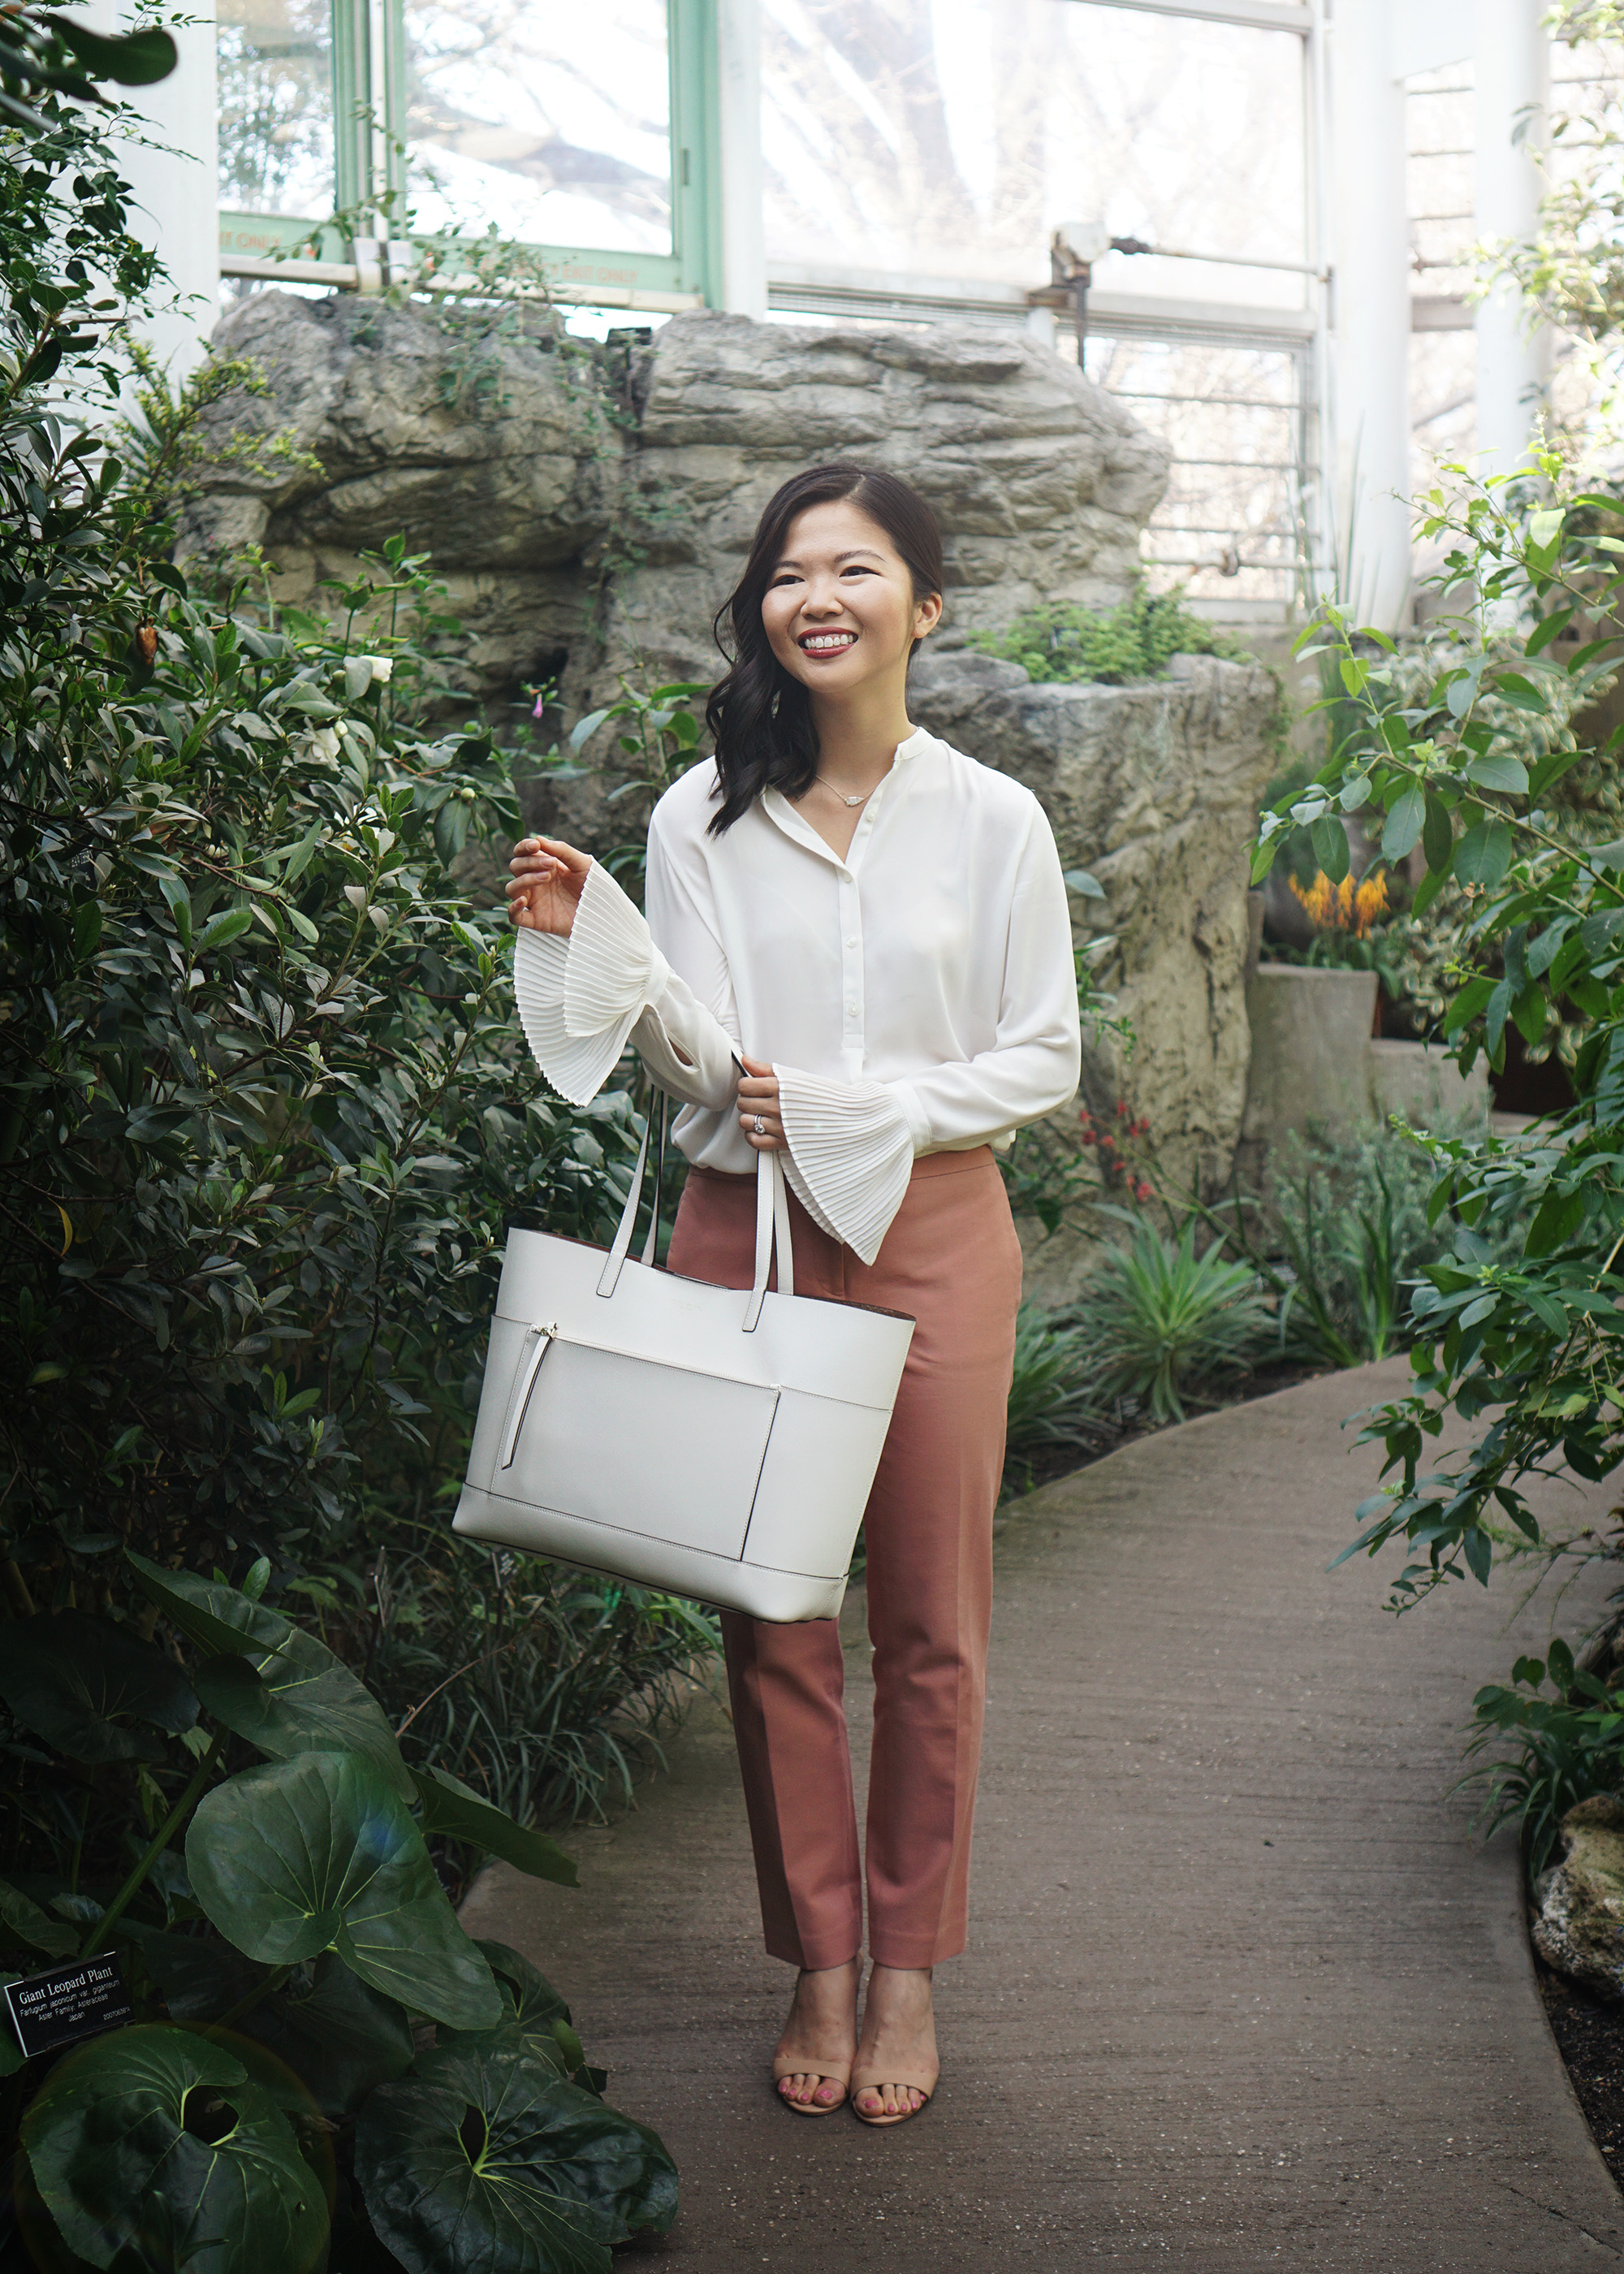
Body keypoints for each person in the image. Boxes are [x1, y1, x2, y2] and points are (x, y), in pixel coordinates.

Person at [506, 461, 1080, 2127]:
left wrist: (863, 1105)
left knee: (932, 1626)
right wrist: (600, 943)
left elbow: (1039, 1050)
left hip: (932, 1227)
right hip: (743, 1228)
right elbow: (688, 1061)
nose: (814, 595)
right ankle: (816, 1958)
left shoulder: (992, 820)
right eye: (785, 572)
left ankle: (908, 1960)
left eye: (856, 566)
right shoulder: (701, 813)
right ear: (759, 606)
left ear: (926, 603)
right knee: (770, 1619)